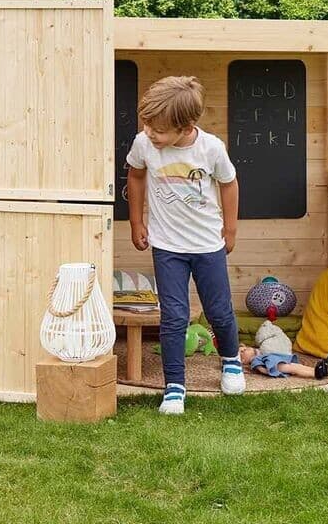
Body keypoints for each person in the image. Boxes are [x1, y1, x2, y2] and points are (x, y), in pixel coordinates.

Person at [126, 75, 243, 415]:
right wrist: (137, 221)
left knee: (219, 311)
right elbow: (135, 175)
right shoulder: (144, 144)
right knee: (174, 316)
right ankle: (174, 386)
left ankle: (231, 361)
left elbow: (229, 183)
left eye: (158, 130)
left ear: (185, 126)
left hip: (207, 245)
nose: (150, 134)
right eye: (147, 126)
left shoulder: (210, 148)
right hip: (167, 246)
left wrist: (230, 230)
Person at [239, 345, 328, 380]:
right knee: (294, 368)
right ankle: (315, 373)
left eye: (245, 348)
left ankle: (317, 370)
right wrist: (270, 372)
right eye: (242, 352)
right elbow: (260, 368)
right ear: (244, 361)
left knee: (296, 366)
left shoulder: (258, 355)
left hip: (278, 363)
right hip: (276, 367)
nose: (246, 349)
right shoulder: (254, 361)